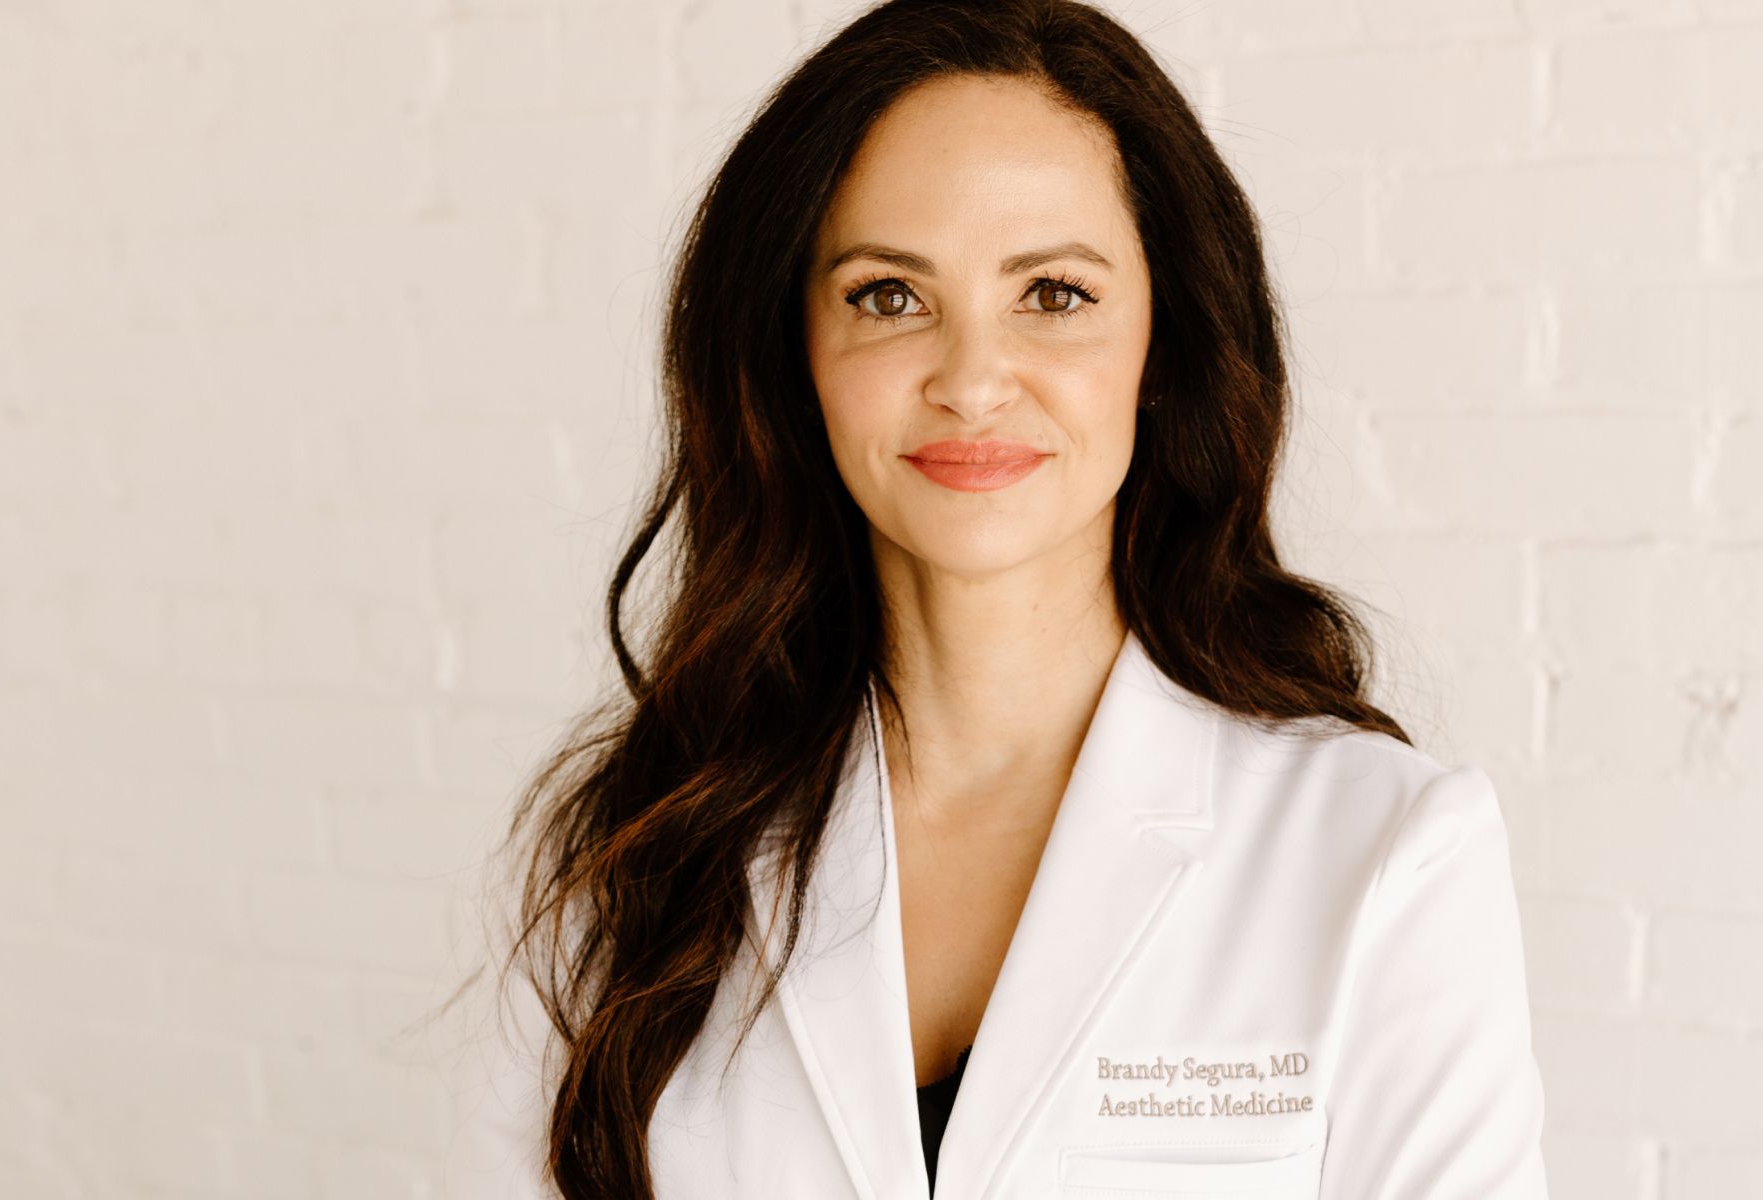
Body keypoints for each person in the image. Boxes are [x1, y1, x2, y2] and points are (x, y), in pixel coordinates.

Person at [443, 1, 1548, 1196]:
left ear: (1162, 346)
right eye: (886, 295)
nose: (971, 381)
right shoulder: (641, 846)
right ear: (791, 353)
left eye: (1055, 294)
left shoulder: (1384, 855)